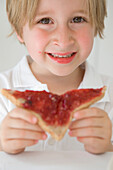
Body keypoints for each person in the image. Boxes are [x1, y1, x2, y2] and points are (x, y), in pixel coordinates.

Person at [0, 0, 113, 155]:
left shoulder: (110, 93)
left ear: (96, 23)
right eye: (45, 21)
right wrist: (2, 144)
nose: (63, 40)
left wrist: (107, 147)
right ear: (18, 29)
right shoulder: (3, 90)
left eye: (78, 19)